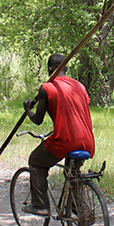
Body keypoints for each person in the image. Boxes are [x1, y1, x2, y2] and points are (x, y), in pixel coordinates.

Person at [21, 54, 95, 216]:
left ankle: (40, 205)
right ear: (66, 69)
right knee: (72, 173)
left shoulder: (46, 88)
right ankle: (81, 210)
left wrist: (28, 111)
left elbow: (38, 120)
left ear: (49, 69)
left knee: (35, 161)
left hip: (65, 140)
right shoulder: (80, 87)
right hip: (87, 141)